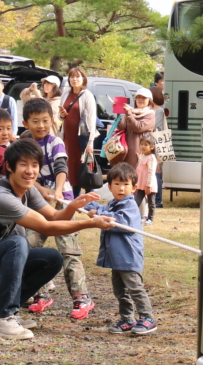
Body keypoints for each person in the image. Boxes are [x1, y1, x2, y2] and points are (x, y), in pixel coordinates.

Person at [0, 138, 113, 340]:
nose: (30, 171)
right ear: (9, 166)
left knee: (52, 258)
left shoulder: (27, 190)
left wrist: (72, 207)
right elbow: (47, 228)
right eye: (23, 164)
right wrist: (91, 224)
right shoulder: (0, 197)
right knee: (17, 244)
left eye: (34, 165)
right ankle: (5, 318)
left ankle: (2, 310)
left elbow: (54, 216)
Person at [20, 98, 95, 321]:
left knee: (68, 251)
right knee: (29, 246)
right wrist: (40, 189)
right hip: (38, 204)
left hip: (63, 202)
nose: (41, 125)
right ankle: (39, 294)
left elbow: (62, 168)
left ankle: (82, 297)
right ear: (26, 123)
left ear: (52, 121)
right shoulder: (24, 145)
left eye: (45, 120)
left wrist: (59, 191)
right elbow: (21, 172)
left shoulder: (56, 143)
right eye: (35, 121)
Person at [96, 163, 156, 336]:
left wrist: (99, 215)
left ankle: (147, 317)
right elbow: (101, 210)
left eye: (125, 184)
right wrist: (89, 206)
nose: (121, 188)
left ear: (134, 188)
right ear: (109, 187)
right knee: (120, 290)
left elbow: (118, 223)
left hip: (129, 257)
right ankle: (127, 318)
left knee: (135, 288)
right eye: (116, 184)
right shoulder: (113, 203)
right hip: (117, 258)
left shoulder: (129, 206)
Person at [60, 67, 98, 196]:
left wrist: (90, 142)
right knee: (72, 166)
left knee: (86, 166)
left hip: (82, 137)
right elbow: (60, 116)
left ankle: (89, 197)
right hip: (68, 138)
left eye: (77, 76)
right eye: (72, 77)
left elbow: (91, 120)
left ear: (83, 79)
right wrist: (62, 115)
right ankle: (75, 196)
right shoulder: (65, 94)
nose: (74, 79)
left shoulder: (87, 96)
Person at [113, 88, 156, 170]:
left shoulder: (150, 114)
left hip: (140, 152)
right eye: (138, 97)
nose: (140, 99)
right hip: (126, 151)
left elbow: (138, 127)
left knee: (137, 176)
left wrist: (129, 114)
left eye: (144, 98)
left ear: (149, 100)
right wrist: (118, 111)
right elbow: (121, 127)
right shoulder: (131, 112)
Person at [134, 135, 159, 225]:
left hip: (149, 184)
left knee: (151, 202)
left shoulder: (151, 158)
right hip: (141, 184)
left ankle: (150, 219)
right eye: (141, 144)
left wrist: (148, 185)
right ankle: (134, 217)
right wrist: (139, 158)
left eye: (145, 145)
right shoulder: (144, 156)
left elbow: (151, 172)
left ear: (152, 147)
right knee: (137, 201)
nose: (142, 146)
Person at [151, 73, 167, 209]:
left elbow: (154, 127)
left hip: (156, 144)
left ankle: (158, 200)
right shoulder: (152, 110)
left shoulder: (159, 111)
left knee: (156, 172)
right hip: (152, 143)